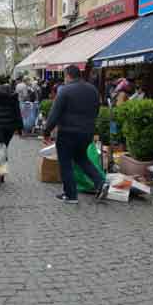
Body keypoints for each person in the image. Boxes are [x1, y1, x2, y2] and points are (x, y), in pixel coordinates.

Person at [43, 65, 110, 204]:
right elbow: (97, 109)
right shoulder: (93, 90)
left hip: (68, 132)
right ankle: (100, 182)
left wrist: (46, 131)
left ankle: (70, 195)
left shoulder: (65, 90)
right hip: (87, 132)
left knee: (65, 162)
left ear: (68, 75)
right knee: (81, 158)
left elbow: (54, 113)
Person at [0, 77, 23, 188]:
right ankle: (0, 174)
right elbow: (17, 113)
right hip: (9, 128)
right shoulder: (13, 97)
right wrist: (20, 128)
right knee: (3, 148)